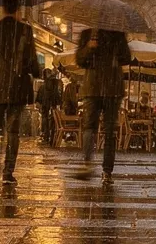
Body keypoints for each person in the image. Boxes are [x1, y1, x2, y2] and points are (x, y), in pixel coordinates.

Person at [0, 0, 39, 182]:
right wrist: (33, 70)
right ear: (17, 10)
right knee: (12, 131)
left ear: (2, 9)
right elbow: (34, 64)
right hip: (17, 86)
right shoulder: (25, 31)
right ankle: (8, 171)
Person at [75, 25, 133, 178]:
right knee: (90, 127)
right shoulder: (88, 35)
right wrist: (89, 47)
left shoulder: (117, 34)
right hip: (95, 89)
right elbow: (80, 60)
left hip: (111, 90)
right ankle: (88, 164)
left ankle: (107, 170)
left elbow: (126, 58)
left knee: (109, 131)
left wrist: (116, 49)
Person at [36, 66, 64, 145]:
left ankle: (46, 136)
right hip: (52, 104)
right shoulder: (55, 83)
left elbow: (39, 99)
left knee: (46, 120)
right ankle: (51, 137)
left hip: (46, 104)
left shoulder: (43, 86)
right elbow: (57, 95)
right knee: (52, 121)